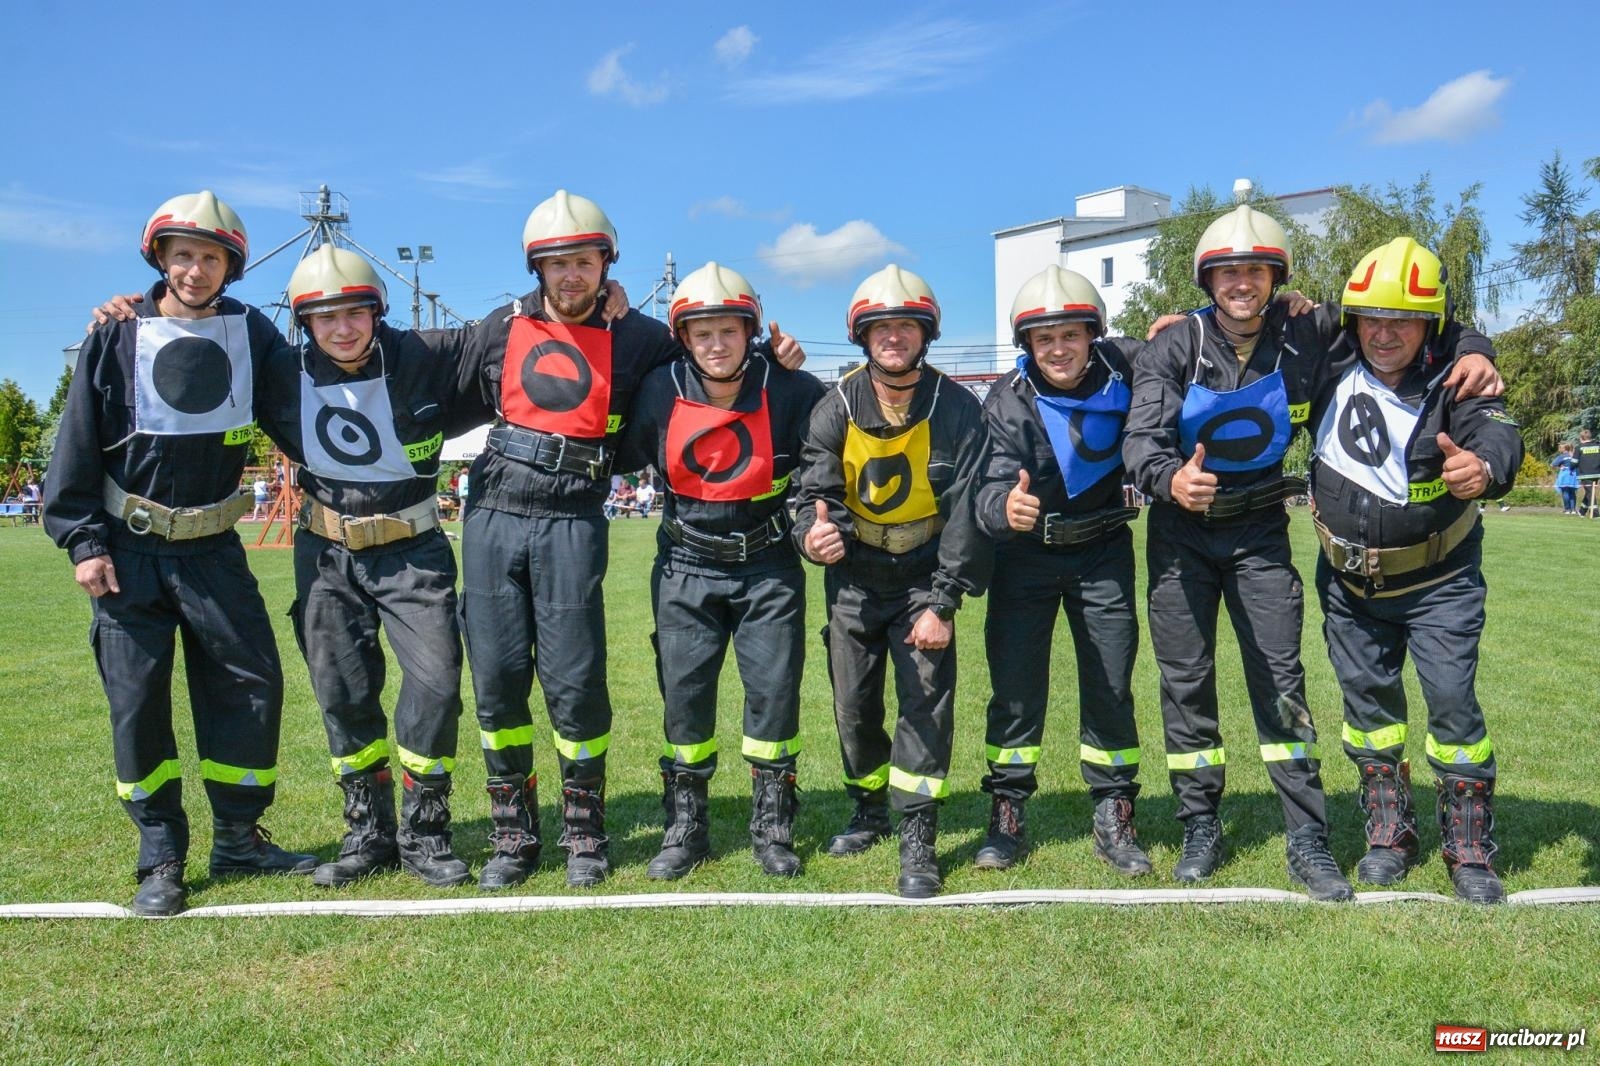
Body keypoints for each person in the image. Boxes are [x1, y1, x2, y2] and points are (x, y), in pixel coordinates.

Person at [1125, 205, 1500, 901]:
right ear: (1208, 281)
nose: (1241, 284)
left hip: (1262, 530)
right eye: (1226, 273)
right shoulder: (1174, 345)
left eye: (1254, 271)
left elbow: (1408, 320)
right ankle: (1199, 824)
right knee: (1186, 684)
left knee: (1280, 679)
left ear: (1276, 278)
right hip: (1182, 538)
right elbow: (1142, 434)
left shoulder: (1312, 330)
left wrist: (1478, 347)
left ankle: (1307, 836)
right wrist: (1167, 478)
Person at [446, 191, 803, 888]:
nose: (571, 275)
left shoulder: (640, 338)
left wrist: (777, 355)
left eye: (584, 261)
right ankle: (512, 836)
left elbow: (710, 352)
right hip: (492, 517)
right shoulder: (497, 328)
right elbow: (430, 379)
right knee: (495, 682)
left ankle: (584, 835)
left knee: (576, 683)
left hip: (573, 521)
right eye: (557, 264)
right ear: (537, 269)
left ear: (605, 264)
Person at [44, 191, 316, 917]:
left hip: (215, 552)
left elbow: (299, 412)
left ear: (231, 265)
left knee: (250, 686)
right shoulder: (117, 331)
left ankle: (239, 837)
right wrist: (82, 540)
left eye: (212, 257)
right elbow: (75, 438)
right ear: (159, 258)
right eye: (183, 255)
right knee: (138, 706)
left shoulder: (251, 330)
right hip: (127, 554)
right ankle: (160, 854)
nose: (196, 270)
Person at [1307, 238, 1522, 903]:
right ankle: (1388, 834)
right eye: (1372, 316)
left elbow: (1497, 428)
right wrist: (1180, 327)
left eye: (1402, 318)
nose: (1385, 331)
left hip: (1441, 585)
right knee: (1370, 713)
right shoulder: (1329, 355)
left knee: (1453, 707)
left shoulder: (1458, 373)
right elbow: (1253, 324)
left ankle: (1467, 848)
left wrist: (1484, 467)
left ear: (1431, 323)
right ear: (1353, 319)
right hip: (1348, 587)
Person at [259, 244, 475, 889]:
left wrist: (607, 307)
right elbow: (201, 344)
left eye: (355, 313)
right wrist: (139, 313)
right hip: (325, 556)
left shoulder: (426, 357)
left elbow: (508, 335)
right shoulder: (277, 371)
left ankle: (424, 830)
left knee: (436, 686)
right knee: (342, 693)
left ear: (377, 312)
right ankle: (368, 831)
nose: (343, 328)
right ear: (305, 324)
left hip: (414, 551)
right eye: (325, 318)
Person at [618, 262, 825, 880]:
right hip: (684, 565)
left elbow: (826, 460)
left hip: (768, 567)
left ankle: (773, 826)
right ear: (683, 337)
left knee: (773, 696)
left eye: (729, 331)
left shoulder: (793, 387)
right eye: (702, 332)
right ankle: (685, 827)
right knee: (684, 703)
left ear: (750, 331)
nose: (715, 344)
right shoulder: (657, 389)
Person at [792, 264, 990, 898]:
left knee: (925, 703)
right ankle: (869, 807)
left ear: (925, 332)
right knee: (854, 706)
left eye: (905, 325)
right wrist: (810, 535)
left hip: (925, 572)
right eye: (881, 326)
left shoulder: (957, 407)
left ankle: (918, 833)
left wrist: (945, 599)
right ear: (862, 335)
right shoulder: (834, 406)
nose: (893, 336)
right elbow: (811, 493)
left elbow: (967, 512)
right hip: (854, 576)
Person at [972, 266, 1150, 874]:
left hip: (1103, 552)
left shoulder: (1126, 365)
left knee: (1110, 684)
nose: (1058, 349)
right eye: (1044, 339)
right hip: (1024, 560)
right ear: (1027, 345)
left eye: (1070, 335)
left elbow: (1188, 353)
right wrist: (1004, 507)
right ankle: (1007, 811)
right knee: (1016, 690)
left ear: (1093, 334)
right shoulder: (1004, 399)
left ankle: (1114, 809)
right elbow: (987, 486)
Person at [1576, 429, 1600, 518]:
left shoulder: (1579, 447)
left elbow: (1574, 461)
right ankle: (1582, 511)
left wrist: (1571, 467)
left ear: (1581, 438)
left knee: (1590, 492)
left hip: (1585, 474)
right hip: (1596, 474)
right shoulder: (1598, 446)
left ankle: (1595, 514)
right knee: (1590, 491)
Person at [1552, 442, 1579, 514]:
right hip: (1573, 475)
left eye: (1560, 447)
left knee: (1565, 492)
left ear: (1563, 449)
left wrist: (1559, 466)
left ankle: (1567, 509)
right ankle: (1573, 510)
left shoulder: (1562, 456)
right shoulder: (1573, 455)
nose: (1559, 449)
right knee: (1572, 492)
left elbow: (1552, 464)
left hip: (1565, 475)